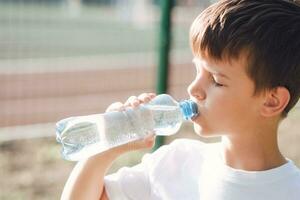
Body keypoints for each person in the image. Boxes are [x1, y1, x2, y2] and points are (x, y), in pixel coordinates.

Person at [60, 0, 300, 199]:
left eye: (216, 80)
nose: (194, 88)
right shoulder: (176, 163)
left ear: (271, 101)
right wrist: (106, 145)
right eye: (198, 72)